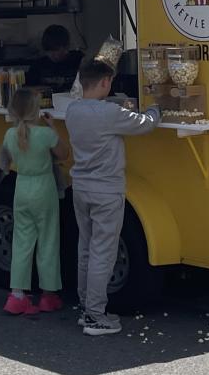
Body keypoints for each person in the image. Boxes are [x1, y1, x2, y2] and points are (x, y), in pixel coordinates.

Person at [65, 59, 160, 337]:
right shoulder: (109, 113)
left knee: (86, 248)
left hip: (81, 187)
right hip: (106, 190)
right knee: (103, 253)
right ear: (106, 82)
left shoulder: (72, 110)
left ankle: (85, 307)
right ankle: (95, 316)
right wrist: (156, 106)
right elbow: (146, 124)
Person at [0, 88, 69, 316]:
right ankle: (48, 294)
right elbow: (64, 154)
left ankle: (17, 295)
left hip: (22, 187)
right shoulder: (45, 134)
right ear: (36, 110)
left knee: (22, 242)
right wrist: (53, 127)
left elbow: (6, 159)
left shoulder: (10, 135)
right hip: (44, 187)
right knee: (48, 240)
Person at [25, 24, 84, 94]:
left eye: (57, 50)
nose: (54, 55)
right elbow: (27, 89)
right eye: (50, 51)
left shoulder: (78, 59)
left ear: (66, 47)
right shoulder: (37, 65)